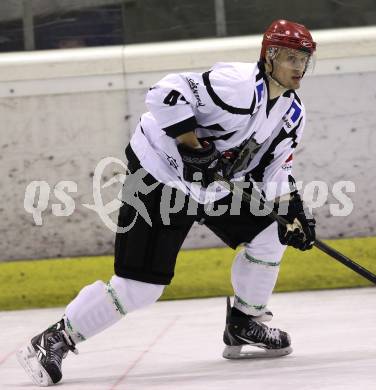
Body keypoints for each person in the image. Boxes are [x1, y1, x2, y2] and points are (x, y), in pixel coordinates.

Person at [17, 19, 317, 386]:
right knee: (140, 287)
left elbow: (275, 169)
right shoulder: (236, 85)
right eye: (290, 58)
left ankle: (244, 323)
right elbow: (164, 94)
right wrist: (194, 146)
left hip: (212, 187)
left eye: (304, 60)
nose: (299, 67)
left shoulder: (292, 114)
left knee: (272, 231)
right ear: (268, 57)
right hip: (161, 176)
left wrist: (292, 210)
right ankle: (54, 340)